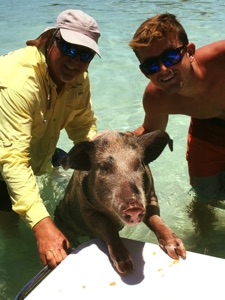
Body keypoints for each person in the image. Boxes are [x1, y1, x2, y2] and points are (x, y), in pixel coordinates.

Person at [0, 9, 101, 268]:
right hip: (5, 156)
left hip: (37, 144)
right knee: (9, 223)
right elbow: (12, 160)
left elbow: (82, 123)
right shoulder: (18, 82)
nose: (74, 61)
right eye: (68, 49)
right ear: (50, 39)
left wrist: (98, 157)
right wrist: (42, 226)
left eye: (85, 54)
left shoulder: (79, 78)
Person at [128, 13, 225, 203]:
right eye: (151, 65)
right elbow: (150, 131)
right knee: (204, 197)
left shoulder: (221, 57)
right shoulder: (156, 97)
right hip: (206, 130)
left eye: (171, 56)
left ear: (189, 51)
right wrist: (120, 140)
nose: (163, 69)